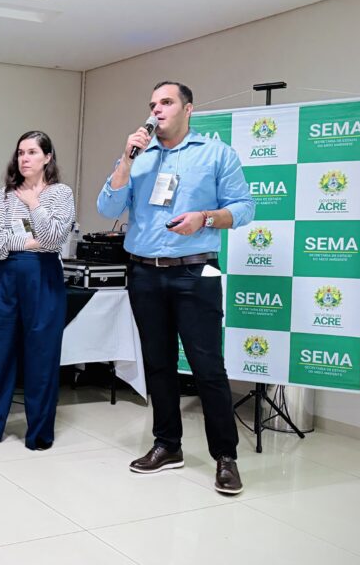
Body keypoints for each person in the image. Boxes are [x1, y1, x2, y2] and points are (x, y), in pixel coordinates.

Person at [96, 81, 255, 495]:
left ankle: (226, 457)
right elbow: (107, 207)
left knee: (207, 367)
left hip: (195, 271)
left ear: (188, 109)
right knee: (158, 363)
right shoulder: (139, 156)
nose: (156, 110)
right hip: (145, 273)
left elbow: (244, 207)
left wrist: (205, 217)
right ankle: (168, 445)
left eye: (166, 102)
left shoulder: (216, 153)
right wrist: (127, 161)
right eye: (152, 104)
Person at [0, 131, 75, 451]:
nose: (24, 158)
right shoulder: (4, 195)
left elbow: (54, 240)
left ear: (48, 157)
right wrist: (27, 242)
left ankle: (39, 433)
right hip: (8, 275)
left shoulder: (61, 194)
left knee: (42, 353)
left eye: (32, 152)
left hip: (44, 277)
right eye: (20, 153)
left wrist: (35, 205)